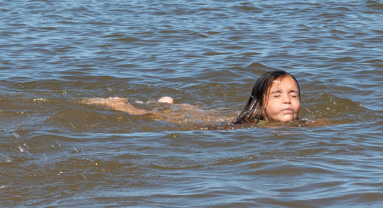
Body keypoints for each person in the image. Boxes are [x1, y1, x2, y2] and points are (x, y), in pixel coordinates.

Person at [84, 70, 326, 127]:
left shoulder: (301, 126)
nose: (287, 100)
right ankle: (121, 103)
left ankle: (169, 104)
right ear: (260, 105)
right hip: (230, 121)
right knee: (164, 115)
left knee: (188, 109)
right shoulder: (252, 127)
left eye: (293, 95)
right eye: (277, 95)